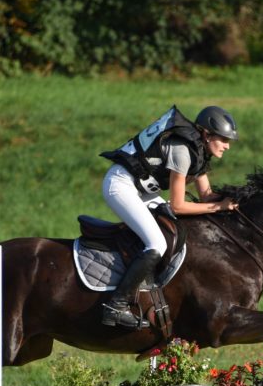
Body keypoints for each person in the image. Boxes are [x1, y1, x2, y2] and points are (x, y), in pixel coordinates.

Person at [98, 105, 240, 328]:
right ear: (206, 134)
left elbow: (206, 196)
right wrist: (219, 207)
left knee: (172, 230)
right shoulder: (182, 151)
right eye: (223, 139)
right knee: (156, 243)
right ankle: (116, 306)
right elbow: (178, 206)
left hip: (142, 190)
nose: (227, 146)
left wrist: (239, 199)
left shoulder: (199, 150)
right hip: (120, 185)